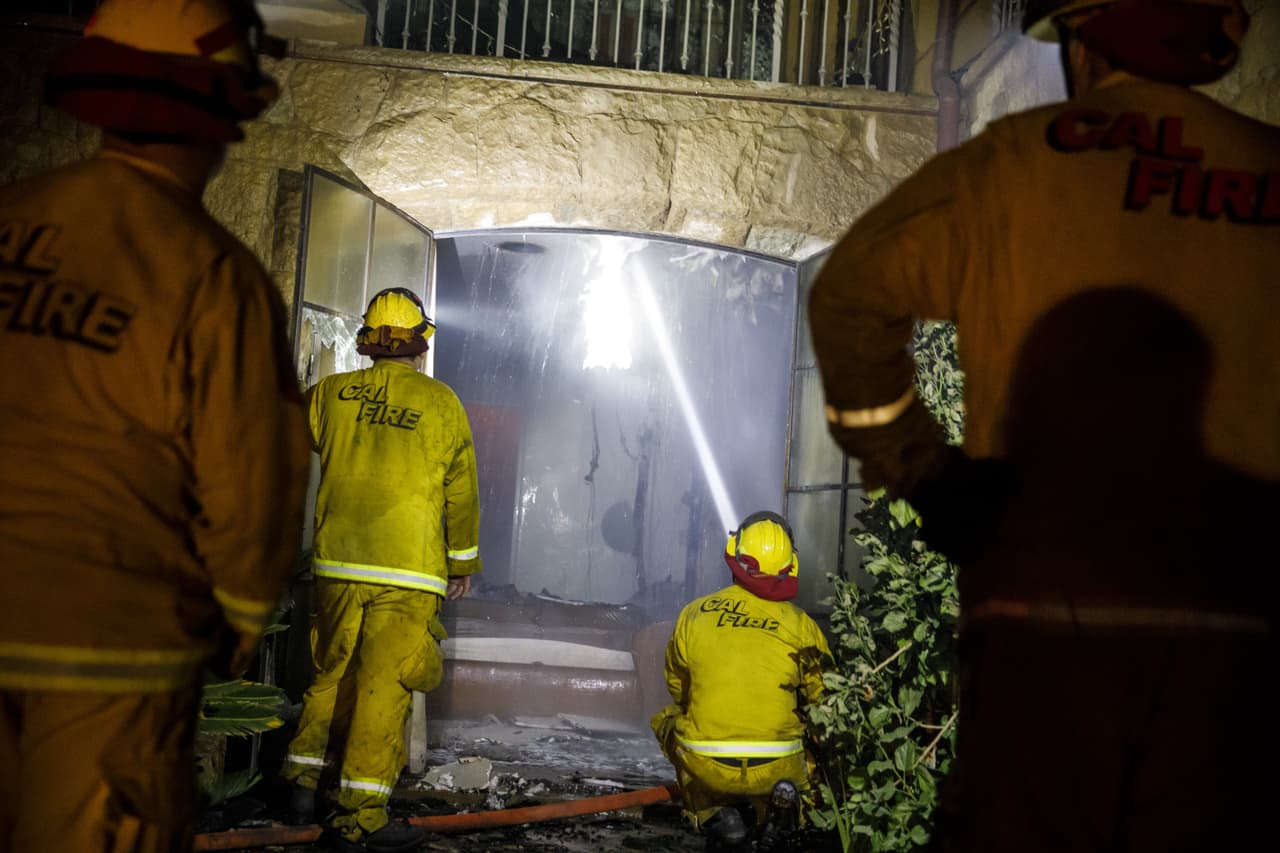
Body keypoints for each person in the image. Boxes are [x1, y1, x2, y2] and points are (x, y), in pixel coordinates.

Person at [807, 0, 1278, 850]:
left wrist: (923, 470)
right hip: (1245, 639)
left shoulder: (1013, 164)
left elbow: (850, 295)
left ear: (1088, 44)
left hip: (1045, 622)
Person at [0, 2, 310, 851]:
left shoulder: (12, 217)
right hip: (110, 652)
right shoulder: (212, 275)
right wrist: (240, 622)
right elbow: (253, 483)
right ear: (224, 111)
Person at [281, 287, 482, 853]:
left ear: (368, 341)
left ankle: (301, 782)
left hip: (338, 561)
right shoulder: (442, 403)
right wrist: (461, 560)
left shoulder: (330, 394)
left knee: (332, 672)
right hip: (408, 570)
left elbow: (303, 441)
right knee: (381, 686)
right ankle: (360, 815)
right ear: (420, 346)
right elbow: (460, 491)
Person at [651, 511, 831, 852]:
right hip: (779, 764)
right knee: (814, 736)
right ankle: (785, 811)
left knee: (668, 721)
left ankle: (714, 812)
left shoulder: (694, 613)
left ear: (734, 551)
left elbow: (678, 686)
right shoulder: (802, 625)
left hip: (707, 762)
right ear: (790, 565)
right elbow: (825, 698)